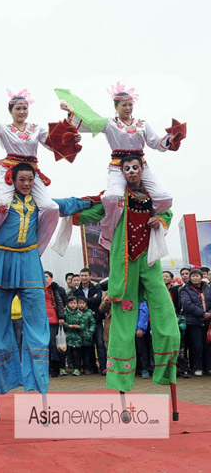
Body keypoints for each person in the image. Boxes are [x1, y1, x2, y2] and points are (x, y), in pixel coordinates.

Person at [71, 154, 180, 391]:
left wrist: (159, 220)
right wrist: (70, 211)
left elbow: (167, 213)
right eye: (127, 169)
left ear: (142, 169)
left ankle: (167, 367)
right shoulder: (117, 198)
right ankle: (121, 378)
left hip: (149, 261)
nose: (131, 171)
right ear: (121, 173)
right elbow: (96, 210)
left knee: (164, 312)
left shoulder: (154, 197)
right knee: (123, 319)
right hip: (126, 262)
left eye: (135, 167)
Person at [0, 162, 90, 395]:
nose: (27, 184)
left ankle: (36, 382)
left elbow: (67, 205)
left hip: (29, 262)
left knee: (37, 325)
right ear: (13, 180)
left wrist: (93, 201)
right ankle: (4, 381)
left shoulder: (39, 204)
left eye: (30, 180)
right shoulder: (0, 203)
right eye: (22, 180)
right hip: (2, 262)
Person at [61, 83, 183, 250]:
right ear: (116, 107)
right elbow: (87, 124)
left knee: (164, 197)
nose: (128, 108)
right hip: (118, 166)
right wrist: (70, 111)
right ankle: (108, 235)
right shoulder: (109, 123)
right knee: (112, 197)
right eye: (124, 105)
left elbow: (157, 144)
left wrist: (171, 139)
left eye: (130, 104)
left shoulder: (142, 124)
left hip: (141, 166)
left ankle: (151, 222)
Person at [0, 89, 67, 265]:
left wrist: (71, 135)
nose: (22, 112)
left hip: (31, 173)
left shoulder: (36, 129)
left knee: (51, 207)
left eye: (25, 108)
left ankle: (37, 250)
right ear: (10, 111)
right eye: (18, 108)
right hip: (9, 171)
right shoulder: (4, 129)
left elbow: (56, 143)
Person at [71, 268, 106, 374]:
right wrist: (90, 300)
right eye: (82, 275)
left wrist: (85, 301)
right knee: (88, 345)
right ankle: (91, 367)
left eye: (86, 275)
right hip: (83, 321)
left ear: (90, 276)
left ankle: (103, 367)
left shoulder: (96, 287)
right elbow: (77, 302)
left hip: (97, 319)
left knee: (100, 343)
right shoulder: (76, 289)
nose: (84, 278)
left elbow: (98, 299)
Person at [180, 270, 211, 377]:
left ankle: (208, 367)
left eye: (197, 275)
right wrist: (202, 313)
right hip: (194, 322)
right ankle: (197, 367)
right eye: (192, 276)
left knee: (208, 346)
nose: (195, 278)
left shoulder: (207, 288)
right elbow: (187, 304)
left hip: (208, 322)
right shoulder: (185, 290)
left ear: (201, 277)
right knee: (197, 346)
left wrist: (209, 313)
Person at [43, 271, 65, 377]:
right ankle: (47, 367)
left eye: (47, 276)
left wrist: (61, 317)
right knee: (44, 344)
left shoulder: (54, 288)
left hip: (53, 319)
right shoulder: (38, 287)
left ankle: (55, 368)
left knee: (53, 344)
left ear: (51, 278)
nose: (45, 278)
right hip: (41, 320)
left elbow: (59, 302)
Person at [64, 297, 83, 375]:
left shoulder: (79, 314)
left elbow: (83, 323)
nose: (73, 305)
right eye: (71, 303)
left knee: (76, 354)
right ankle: (63, 368)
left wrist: (79, 326)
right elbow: (62, 323)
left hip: (77, 337)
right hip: (67, 336)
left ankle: (77, 369)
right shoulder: (65, 313)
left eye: (74, 303)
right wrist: (68, 326)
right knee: (66, 353)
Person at [136, 300, 154, 379]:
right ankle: (137, 368)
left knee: (142, 349)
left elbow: (144, 312)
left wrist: (140, 327)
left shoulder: (141, 298)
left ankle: (145, 368)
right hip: (129, 328)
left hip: (139, 328)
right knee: (135, 349)